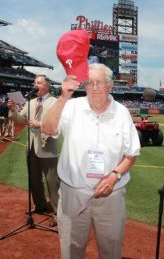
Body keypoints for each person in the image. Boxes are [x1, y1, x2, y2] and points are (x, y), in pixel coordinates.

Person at [42, 63, 141, 258]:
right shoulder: (71, 106)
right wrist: (63, 97)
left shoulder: (122, 113)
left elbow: (131, 153)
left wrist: (114, 176)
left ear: (110, 86)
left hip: (111, 196)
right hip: (73, 194)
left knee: (111, 251)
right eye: (89, 83)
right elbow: (48, 128)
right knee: (71, 250)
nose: (93, 88)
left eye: (99, 83)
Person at [7, 74, 59, 227]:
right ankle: (40, 205)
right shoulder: (30, 102)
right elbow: (20, 121)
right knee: (34, 180)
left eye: (39, 82)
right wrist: (13, 110)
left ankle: (57, 213)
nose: (35, 84)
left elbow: (57, 123)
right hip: (31, 147)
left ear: (47, 85)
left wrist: (40, 124)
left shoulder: (55, 102)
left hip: (47, 147)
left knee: (52, 182)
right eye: (35, 82)